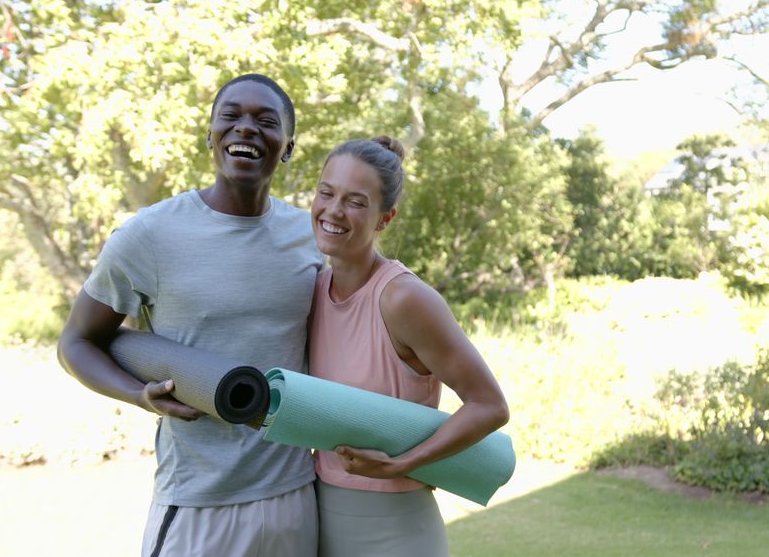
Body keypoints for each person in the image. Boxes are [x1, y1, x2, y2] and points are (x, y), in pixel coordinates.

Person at [57, 73, 321, 557]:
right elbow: (75, 342)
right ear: (210, 136)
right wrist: (140, 396)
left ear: (287, 147)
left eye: (266, 121)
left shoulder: (312, 238)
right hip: (197, 503)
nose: (246, 128)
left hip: (296, 495)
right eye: (231, 116)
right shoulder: (149, 235)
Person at [307, 136, 510, 556]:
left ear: (385, 218)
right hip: (318, 518)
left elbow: (489, 405)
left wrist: (405, 464)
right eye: (326, 193)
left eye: (356, 201)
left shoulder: (403, 298)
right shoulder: (312, 288)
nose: (334, 210)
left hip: (396, 529)